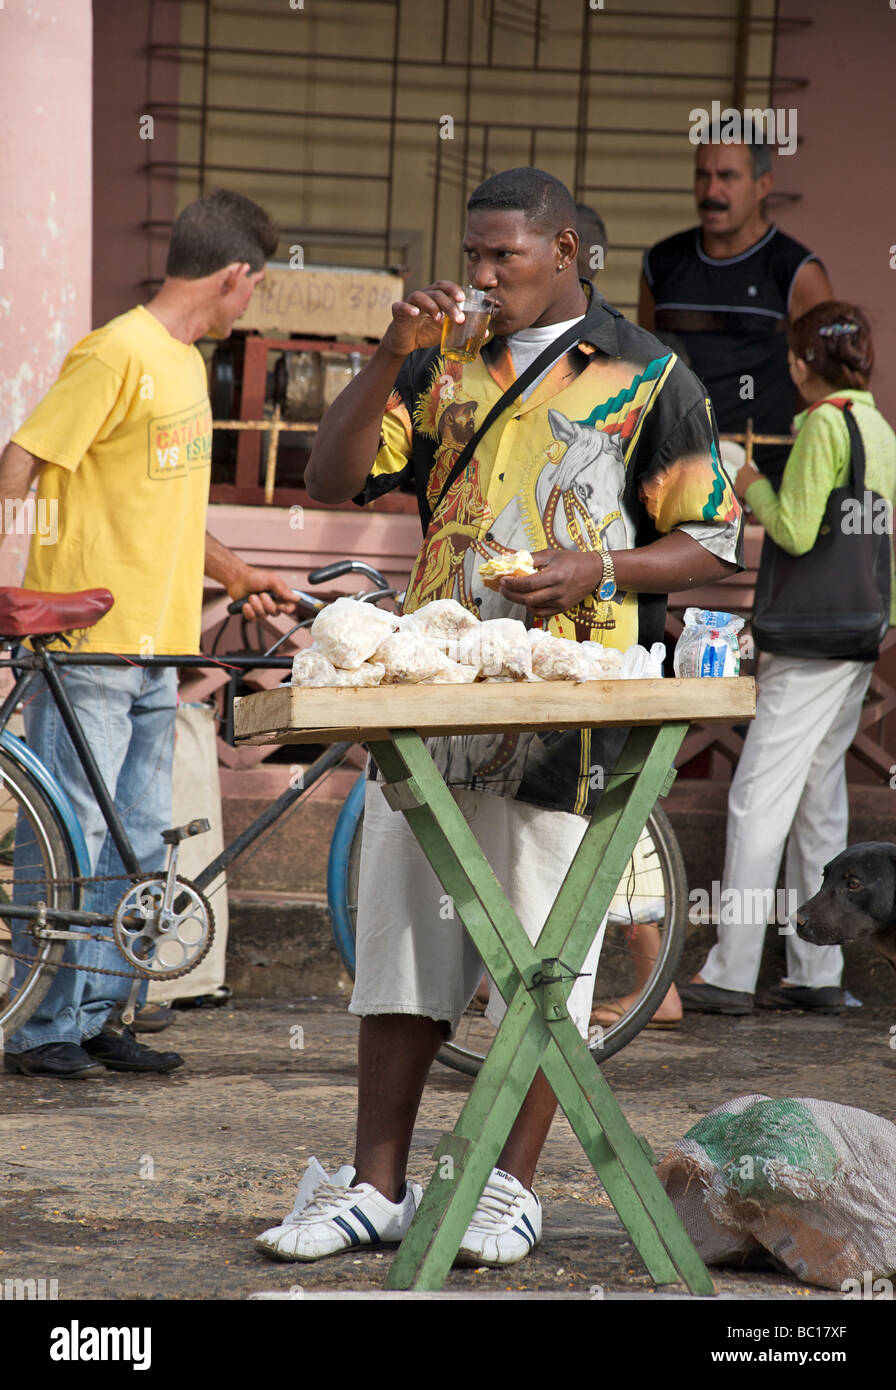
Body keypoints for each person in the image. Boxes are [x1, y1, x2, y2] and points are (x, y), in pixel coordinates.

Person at [253, 166, 742, 1268]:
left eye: (501, 256)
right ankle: (375, 1187)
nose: (478, 276)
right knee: (398, 943)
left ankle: (503, 1191)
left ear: (565, 250)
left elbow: (709, 540)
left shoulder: (646, 373)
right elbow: (333, 480)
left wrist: (599, 564)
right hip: (427, 692)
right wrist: (382, 355)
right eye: (470, 255)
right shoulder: (438, 368)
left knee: (536, 955)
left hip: (560, 707)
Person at [0, 189, 295, 1079]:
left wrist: (239, 574)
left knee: (136, 836)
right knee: (71, 830)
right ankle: (41, 1027)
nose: (253, 306)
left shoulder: (185, 367)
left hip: (159, 647)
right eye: (258, 288)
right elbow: (24, 458)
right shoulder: (115, 351)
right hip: (89, 637)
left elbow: (167, 505)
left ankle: (94, 1014)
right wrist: (19, 581)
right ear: (235, 275)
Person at [680, 303, 896, 1016]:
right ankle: (816, 971)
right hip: (859, 639)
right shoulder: (880, 430)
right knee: (817, 801)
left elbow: (797, 530)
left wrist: (747, 482)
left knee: (758, 800)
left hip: (807, 645)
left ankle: (732, 972)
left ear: (804, 364)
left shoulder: (824, 425)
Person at [639, 133, 833, 486]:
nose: (712, 192)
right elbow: (646, 365)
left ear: (763, 185)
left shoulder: (796, 271)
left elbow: (826, 384)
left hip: (765, 476)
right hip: (672, 469)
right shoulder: (661, 263)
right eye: (702, 176)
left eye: (727, 177)